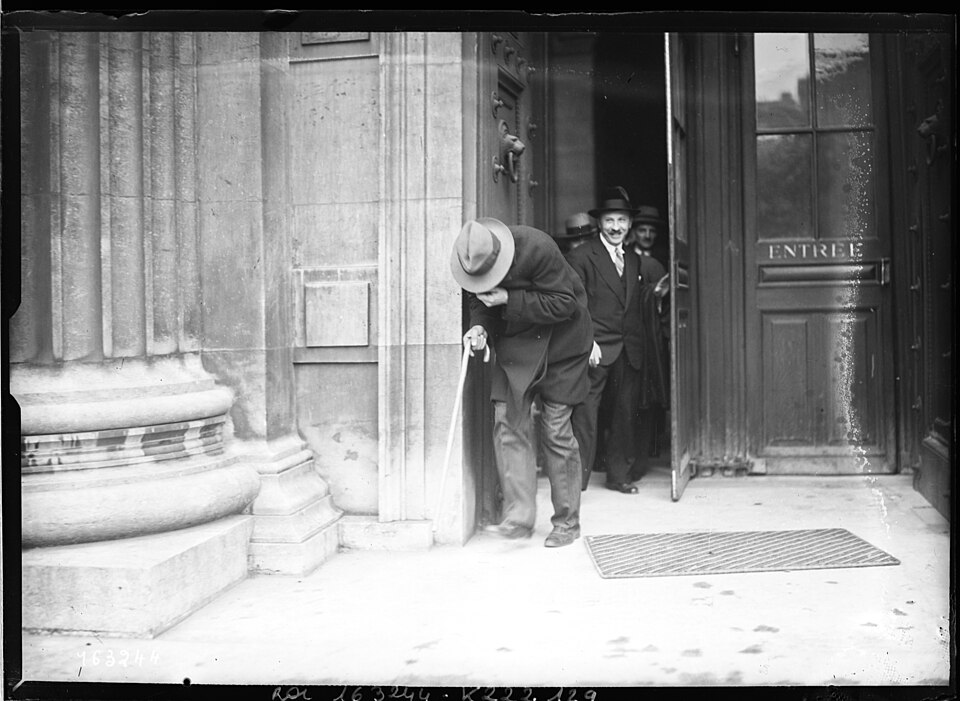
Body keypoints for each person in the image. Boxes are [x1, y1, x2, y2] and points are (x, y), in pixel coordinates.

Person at [450, 217, 592, 548]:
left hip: (563, 343)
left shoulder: (538, 246)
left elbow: (564, 303)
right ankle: (519, 518)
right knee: (507, 421)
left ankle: (567, 522)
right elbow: (477, 300)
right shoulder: (468, 257)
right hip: (518, 344)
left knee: (556, 429)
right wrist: (480, 327)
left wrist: (508, 301)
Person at [565, 186, 646, 494]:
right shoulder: (581, 257)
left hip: (628, 349)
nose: (616, 227)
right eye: (610, 220)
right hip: (595, 349)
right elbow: (575, 304)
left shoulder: (635, 260)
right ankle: (578, 481)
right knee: (586, 414)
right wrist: (587, 342)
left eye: (622, 221)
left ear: (629, 224)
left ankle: (619, 476)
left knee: (626, 413)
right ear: (599, 223)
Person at [625, 205, 671, 480]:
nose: (647, 235)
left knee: (655, 391)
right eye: (642, 230)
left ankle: (654, 448)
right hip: (635, 333)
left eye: (651, 231)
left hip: (656, 333)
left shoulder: (662, 260)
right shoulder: (628, 259)